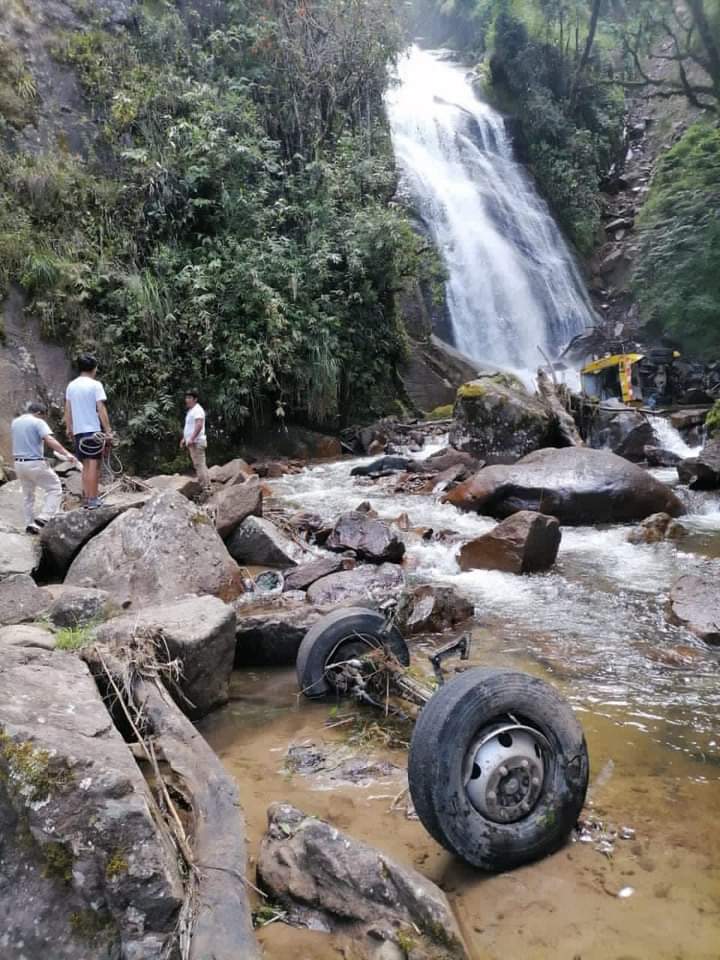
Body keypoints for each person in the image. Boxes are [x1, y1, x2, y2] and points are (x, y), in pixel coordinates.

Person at [11, 402, 78, 535]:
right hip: (34, 463)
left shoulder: (15, 422)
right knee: (55, 488)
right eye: (44, 417)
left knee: (28, 496)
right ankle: (44, 517)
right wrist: (67, 453)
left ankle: (30, 525)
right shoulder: (37, 422)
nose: (44, 420)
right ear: (39, 413)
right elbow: (49, 440)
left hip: (19, 464)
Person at [65, 354, 113, 509]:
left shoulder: (71, 386)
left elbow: (68, 408)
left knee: (85, 465)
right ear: (94, 368)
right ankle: (93, 499)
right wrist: (108, 431)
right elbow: (101, 408)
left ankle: (87, 498)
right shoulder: (95, 385)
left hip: (79, 431)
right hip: (92, 431)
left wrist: (69, 427)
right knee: (94, 465)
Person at [180, 388, 210, 499]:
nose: (187, 400)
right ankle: (206, 487)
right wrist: (184, 438)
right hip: (193, 442)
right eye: (186, 398)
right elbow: (190, 427)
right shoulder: (191, 411)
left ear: (195, 399)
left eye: (189, 398)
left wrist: (191, 438)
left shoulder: (198, 410)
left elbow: (199, 425)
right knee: (198, 465)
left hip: (197, 442)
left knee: (200, 465)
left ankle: (206, 489)